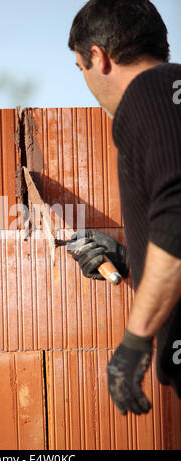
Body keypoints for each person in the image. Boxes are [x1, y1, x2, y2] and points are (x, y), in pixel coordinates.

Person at [66, 0, 181, 416]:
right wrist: (129, 259)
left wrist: (136, 338)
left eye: (80, 69)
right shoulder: (171, 97)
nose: (86, 81)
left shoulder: (152, 89)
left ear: (99, 56)